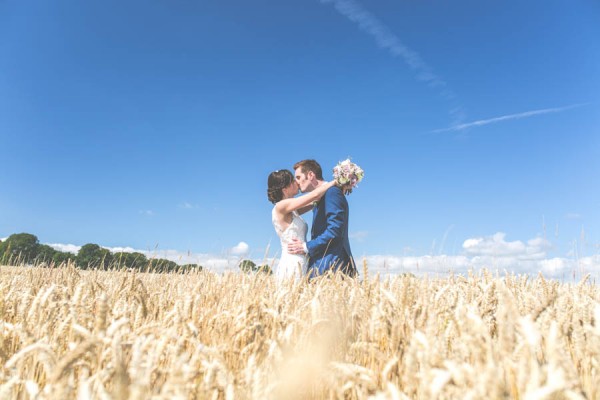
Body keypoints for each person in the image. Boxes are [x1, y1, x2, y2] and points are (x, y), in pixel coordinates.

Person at [288, 159, 357, 278]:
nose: (297, 183)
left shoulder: (331, 192)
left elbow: (335, 230)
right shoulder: (321, 197)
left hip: (332, 265)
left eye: (298, 177)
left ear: (310, 175)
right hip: (322, 263)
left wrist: (306, 247)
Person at [267, 169, 336, 280]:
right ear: (285, 189)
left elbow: (315, 201)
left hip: (302, 260)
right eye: (293, 181)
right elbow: (314, 195)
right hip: (292, 263)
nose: (297, 182)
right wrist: (335, 182)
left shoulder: (293, 210)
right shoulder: (281, 206)